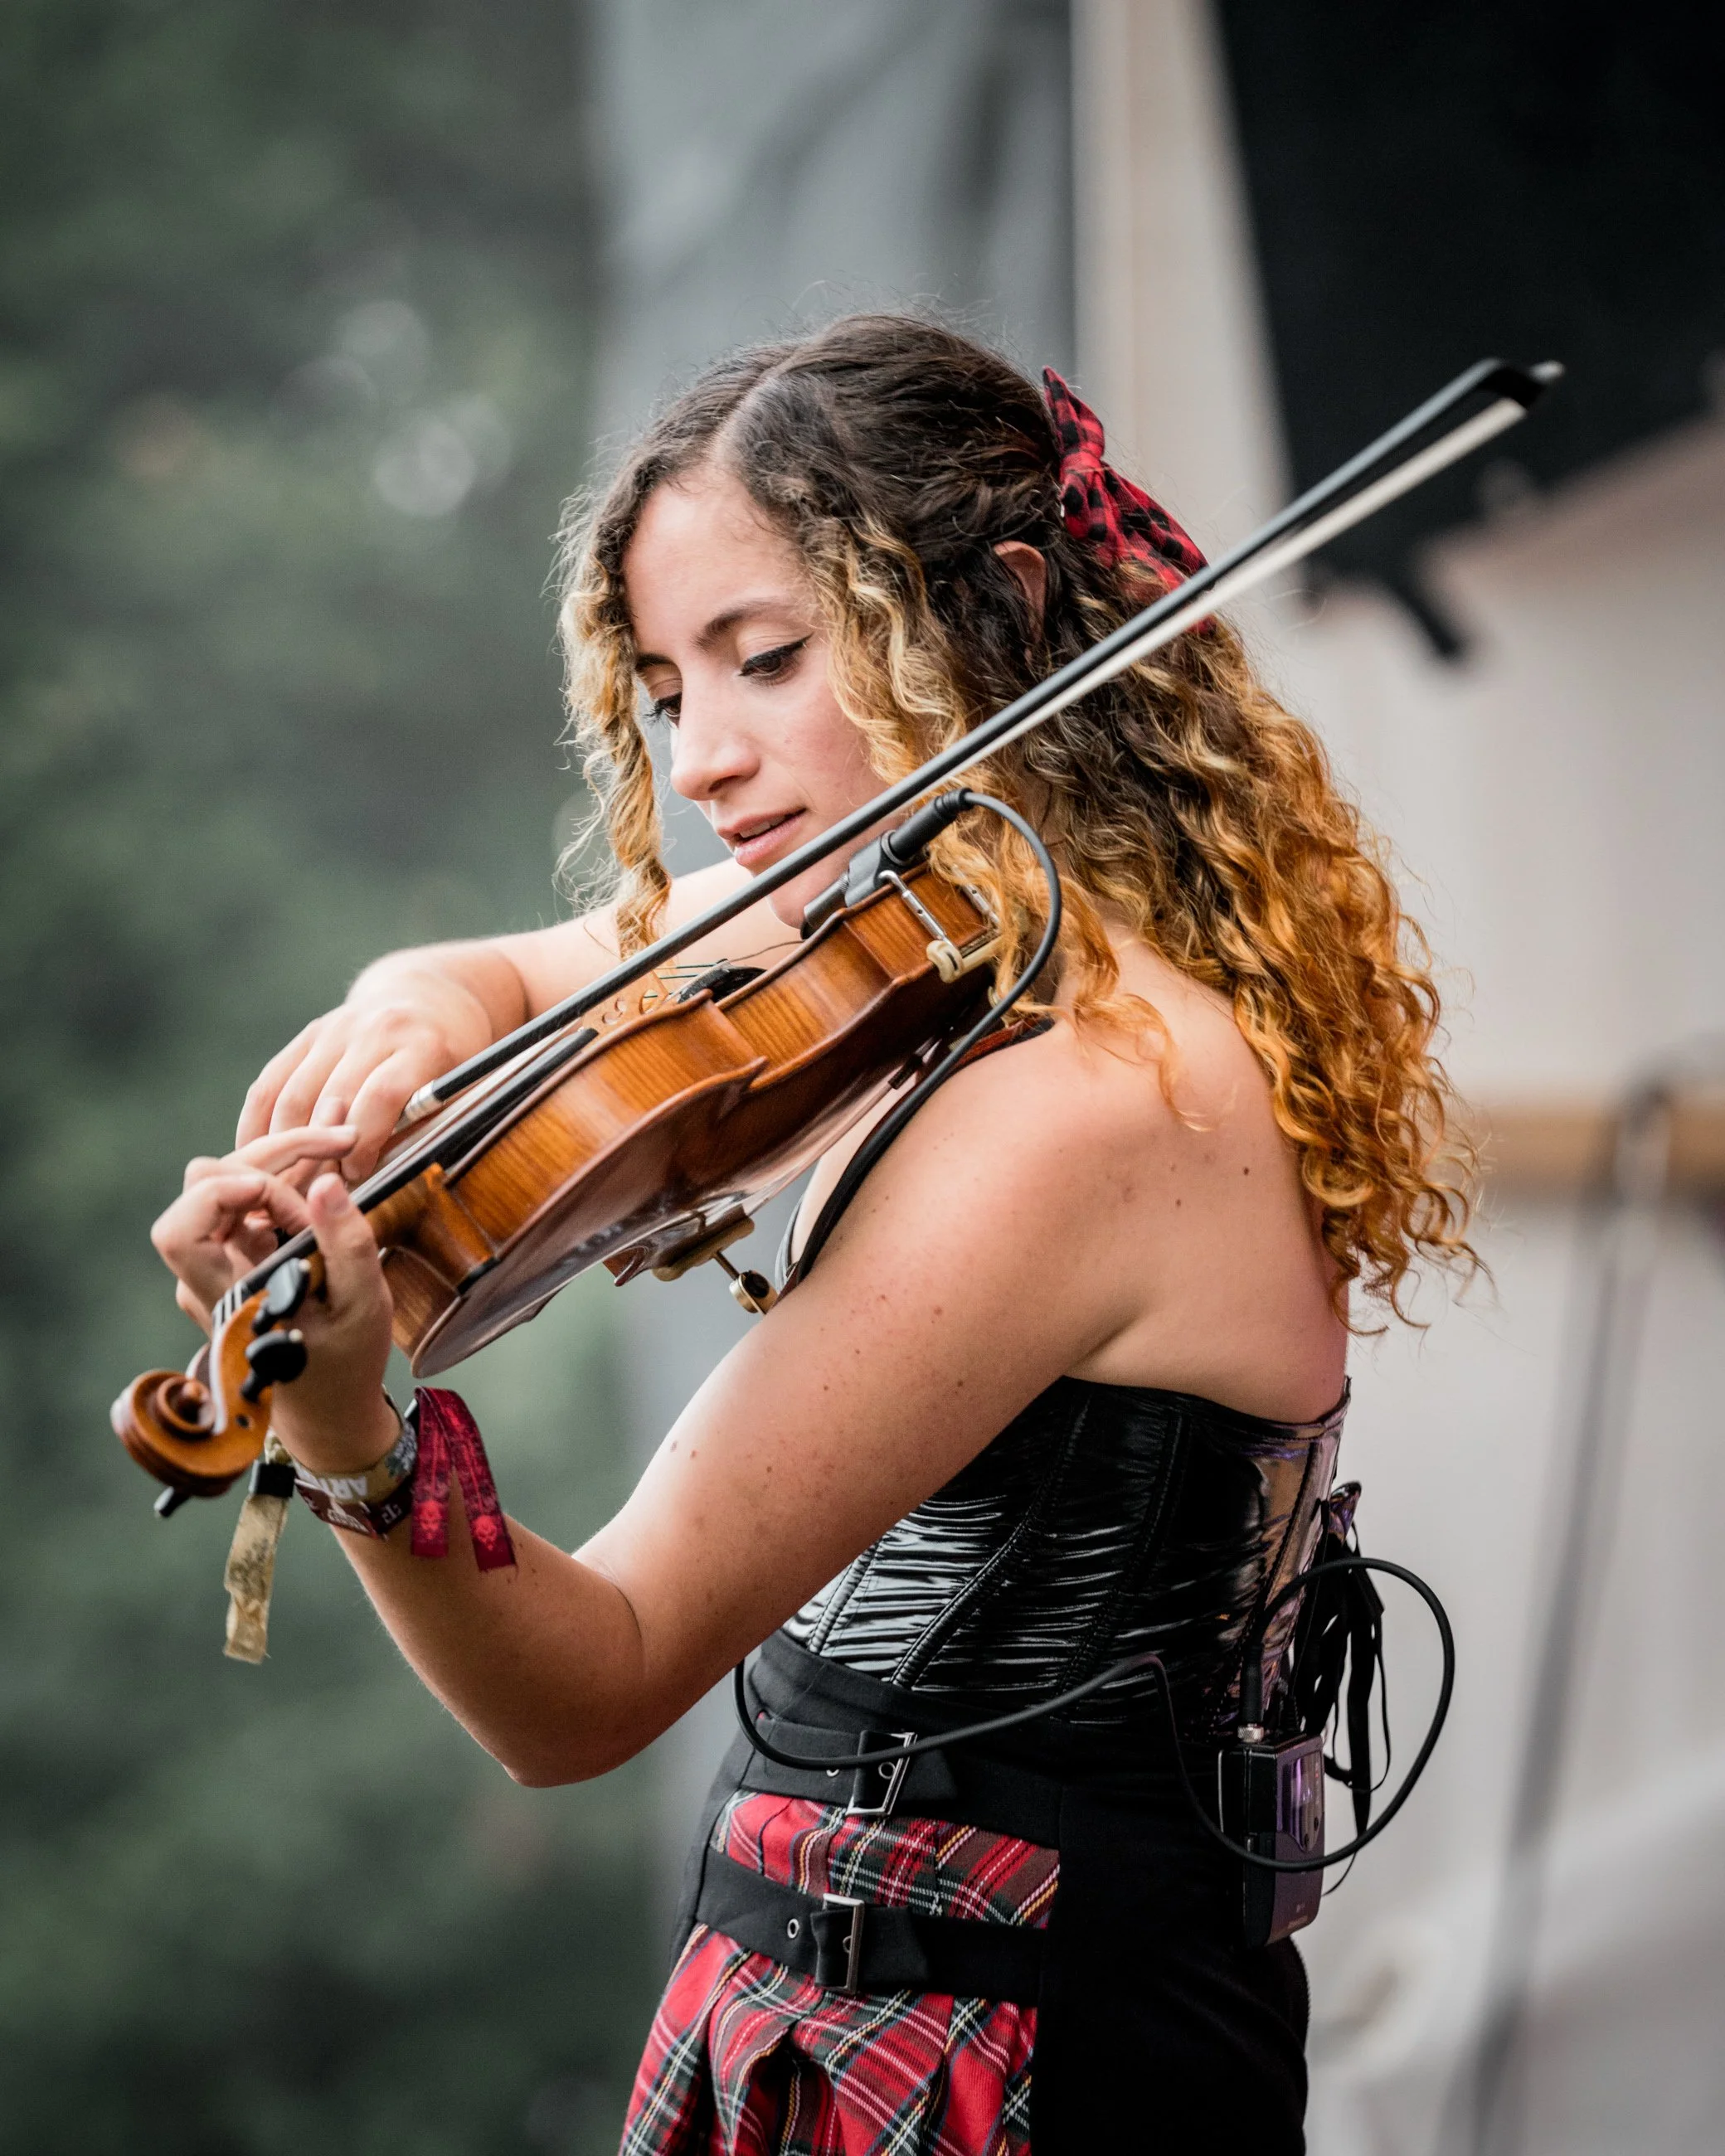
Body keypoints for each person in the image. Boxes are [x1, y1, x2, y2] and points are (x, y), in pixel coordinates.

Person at [149, 315, 1474, 2154]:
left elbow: (593, 1679)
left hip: (1001, 2065)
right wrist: (407, 1014)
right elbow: (508, 971)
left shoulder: (1084, 1102)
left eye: (765, 659)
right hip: (878, 2017)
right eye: (665, 687)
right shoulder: (938, 945)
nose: (698, 758)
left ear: (996, 613)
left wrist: (351, 1432)